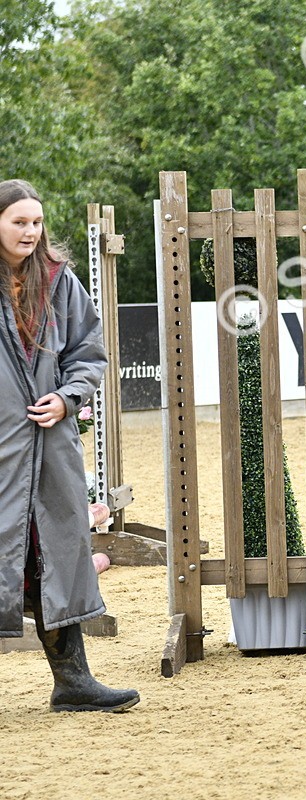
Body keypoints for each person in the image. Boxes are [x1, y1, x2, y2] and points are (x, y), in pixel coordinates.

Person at [0, 179, 139, 712]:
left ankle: (73, 682)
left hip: (51, 447)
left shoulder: (60, 281)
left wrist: (67, 395)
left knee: (54, 554)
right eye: (19, 222)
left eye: (36, 222)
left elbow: (88, 350)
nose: (31, 232)